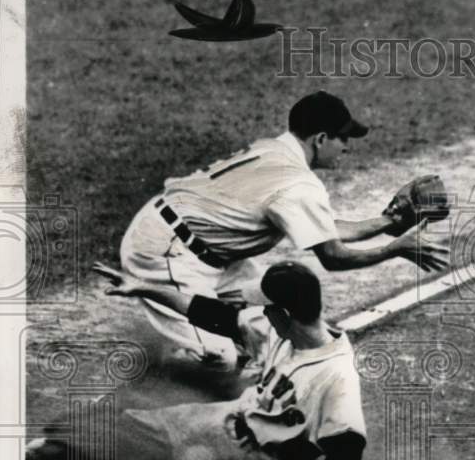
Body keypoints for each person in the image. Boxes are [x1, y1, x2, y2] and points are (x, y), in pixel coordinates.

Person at [119, 90, 448, 369]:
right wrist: (396, 248)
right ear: (320, 139)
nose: (347, 146)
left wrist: (387, 222)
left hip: (195, 239)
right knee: (218, 359)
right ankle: (156, 390)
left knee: (277, 312)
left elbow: (323, 231)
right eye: (343, 138)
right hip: (167, 251)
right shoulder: (299, 184)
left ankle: (196, 350)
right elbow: (333, 257)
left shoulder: (274, 149)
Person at [92, 258, 367, 460]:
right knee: (124, 429)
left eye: (267, 307)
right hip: (219, 419)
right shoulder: (278, 329)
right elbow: (207, 313)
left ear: (282, 314)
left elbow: (347, 454)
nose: (261, 311)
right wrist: (142, 286)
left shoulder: (337, 378)